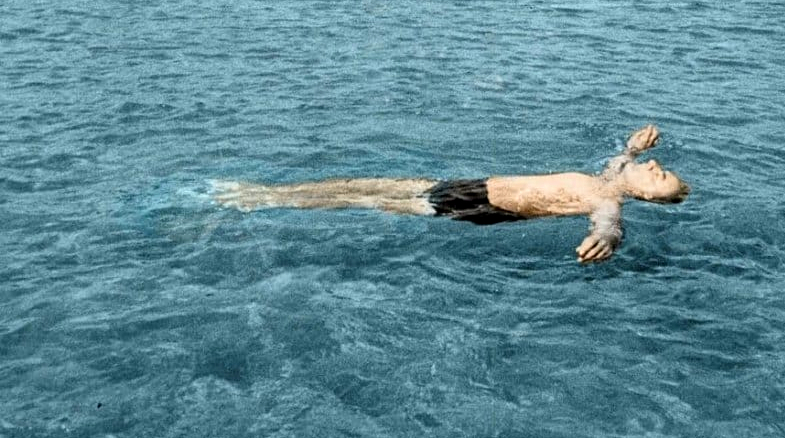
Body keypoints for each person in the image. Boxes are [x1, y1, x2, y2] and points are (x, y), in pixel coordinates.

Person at [214, 125, 690, 264]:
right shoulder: (612, 175)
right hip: (474, 185)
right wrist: (635, 147)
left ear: (647, 199)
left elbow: (609, 226)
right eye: (659, 165)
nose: (655, 166)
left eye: (659, 176)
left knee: (368, 200)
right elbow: (624, 158)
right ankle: (265, 191)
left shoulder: (608, 202)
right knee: (370, 185)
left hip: (483, 207)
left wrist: (607, 241)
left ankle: (259, 202)